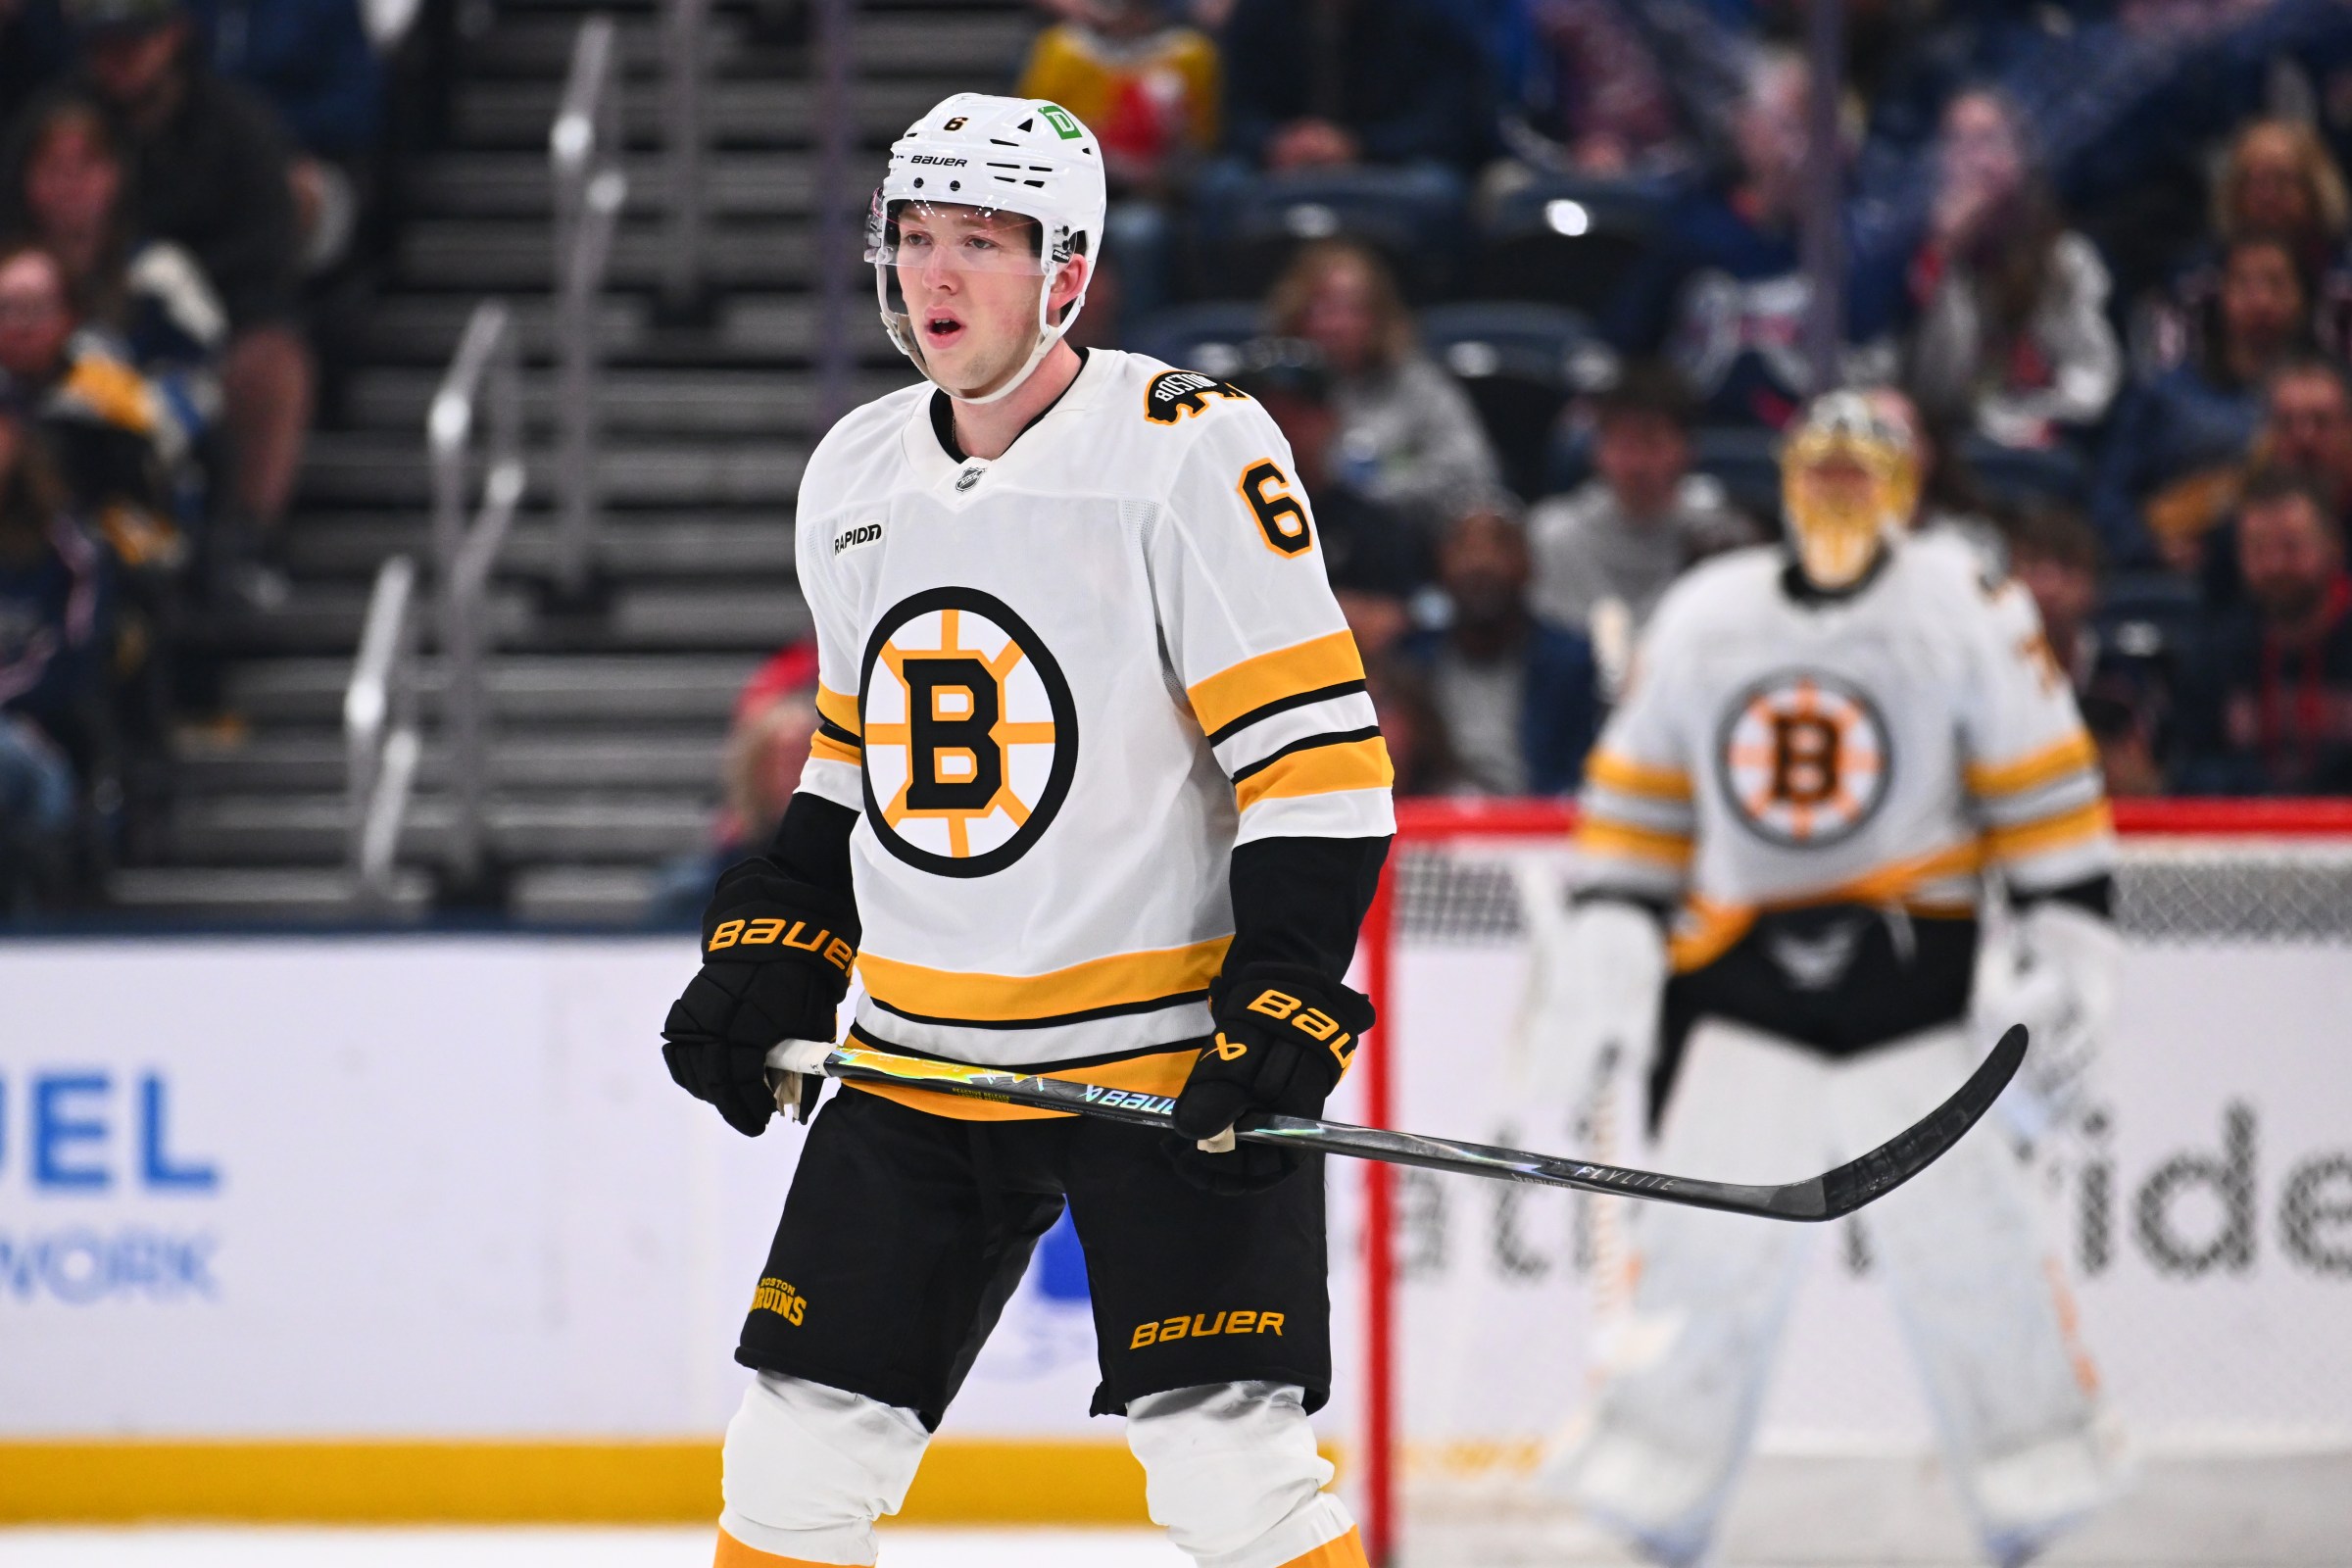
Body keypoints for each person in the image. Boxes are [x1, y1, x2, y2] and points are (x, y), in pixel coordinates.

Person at [658, 95, 1394, 1568]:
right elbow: (851, 767)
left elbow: (1319, 764)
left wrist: (1287, 995)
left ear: (1066, 270)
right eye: (914, 237)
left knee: (1232, 1483)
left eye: (978, 243)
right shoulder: (855, 473)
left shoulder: (1191, 449)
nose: (935, 276)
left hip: (1159, 1056)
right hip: (921, 1056)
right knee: (790, 1471)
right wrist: (779, 945)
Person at [1536, 392, 2122, 1568]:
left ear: (1907, 484)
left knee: (1975, 1258)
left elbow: (2046, 800)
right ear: (1788, 477)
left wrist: (2067, 956)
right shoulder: (1706, 612)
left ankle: (2036, 1500)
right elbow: (1637, 809)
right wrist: (1605, 952)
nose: (1844, 488)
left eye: (1868, 467)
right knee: (1702, 1261)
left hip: (1916, 988)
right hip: (1741, 984)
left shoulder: (1967, 603)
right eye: (1824, 464)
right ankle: (1653, 1509)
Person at [68, 0, 311, 605]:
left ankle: (243, 540)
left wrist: (181, 299)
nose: (119, 59)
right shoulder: (59, 127)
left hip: (215, 322)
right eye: (104, 43)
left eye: (134, 39)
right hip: (80, 321)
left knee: (271, 358)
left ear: (173, 34)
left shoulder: (237, 126)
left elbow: (267, 257)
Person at [1604, 49, 1908, 429]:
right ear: (1745, 126)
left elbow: (1876, 356)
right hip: (1701, 443)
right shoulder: (1693, 225)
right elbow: (1631, 343)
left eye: (1812, 130)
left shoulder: (1857, 244)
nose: (1795, 151)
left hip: (1819, 449)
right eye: (1785, 126)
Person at [0, 90, 229, 451]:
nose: (69, 185)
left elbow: (204, 381)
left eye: (84, 168)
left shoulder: (160, 274)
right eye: (53, 168)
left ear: (114, 175)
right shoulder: (8, 274)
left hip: (132, 461)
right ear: (27, 179)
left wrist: (118, 414)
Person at [1904, 88, 2123, 451]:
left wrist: (2043, 417)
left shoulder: (2065, 259)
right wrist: (1943, 254)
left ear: (2020, 155)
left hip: (2036, 440)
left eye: (1989, 141)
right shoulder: (1918, 255)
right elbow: (1931, 387)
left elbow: (2094, 376)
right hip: (1943, 442)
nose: (1975, 161)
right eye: (1957, 144)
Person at [2091, 232, 2311, 573]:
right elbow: (2109, 498)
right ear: (2221, 295)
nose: (2261, 300)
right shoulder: (2165, 394)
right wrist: (2151, 547)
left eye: (2276, 284)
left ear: (2301, 297)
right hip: (2185, 573)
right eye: (2245, 284)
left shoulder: (2332, 393)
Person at [1264, 239, 1502, 531]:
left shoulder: (1421, 388)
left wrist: (1367, 492)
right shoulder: (1273, 394)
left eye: (1352, 309)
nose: (1337, 324)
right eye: (1323, 308)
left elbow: (1472, 476)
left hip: (1406, 550)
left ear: (1378, 316)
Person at [1014, 0, 1218, 329]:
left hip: (1154, 190)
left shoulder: (1189, 53)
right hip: (1071, 189)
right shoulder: (1061, 49)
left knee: (1140, 234)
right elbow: (1031, 133)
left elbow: (1203, 139)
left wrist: (1164, 166)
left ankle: (1141, 344)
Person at [1528, 362, 1760, 643]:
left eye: (1652, 443)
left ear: (1688, 449)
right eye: (1623, 444)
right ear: (1596, 451)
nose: (1637, 464)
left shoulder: (1724, 539)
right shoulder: (1553, 537)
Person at [1228, 335, 1423, 656]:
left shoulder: (1376, 527)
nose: (1279, 426)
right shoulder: (1210, 519)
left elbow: (1393, 620)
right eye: (1263, 411)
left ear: (1330, 419)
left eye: (1295, 412)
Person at [1396, 500, 1600, 795]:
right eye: (1463, 546)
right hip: (1432, 826)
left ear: (1530, 565)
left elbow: (1580, 775)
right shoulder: (1411, 659)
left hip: (1538, 828)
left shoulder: (1571, 662)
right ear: (1438, 565)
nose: (1480, 562)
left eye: (1499, 545)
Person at [2178, 468, 2352, 794]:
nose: (2274, 565)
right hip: (2243, 839)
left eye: (2291, 547)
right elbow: (2193, 769)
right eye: (2258, 549)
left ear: (2334, 548)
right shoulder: (2216, 654)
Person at [2134, 118, 2352, 375]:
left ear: (2315, 191)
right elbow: (2167, 385)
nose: (2267, 195)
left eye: (2282, 181)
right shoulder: (2194, 286)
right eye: (2254, 182)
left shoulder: (2344, 285)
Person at [0, 399, 109, 908]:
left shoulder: (67, 551)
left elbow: (71, 660)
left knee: (23, 763)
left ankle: (38, 919)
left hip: (40, 727)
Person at [2006, 504, 2176, 797]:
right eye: (2033, 567)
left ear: (2095, 589)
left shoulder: (2125, 682)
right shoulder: (1987, 676)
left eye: (2068, 570)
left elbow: (2148, 790)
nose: (2050, 588)